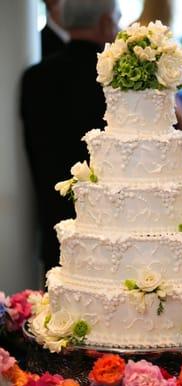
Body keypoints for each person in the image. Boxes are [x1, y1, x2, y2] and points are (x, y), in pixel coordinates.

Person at [20, 0, 120, 276]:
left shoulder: (34, 78)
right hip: (109, 220)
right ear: (105, 22)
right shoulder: (112, 80)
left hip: (53, 214)